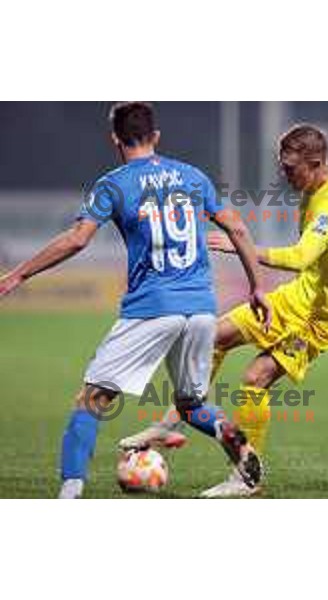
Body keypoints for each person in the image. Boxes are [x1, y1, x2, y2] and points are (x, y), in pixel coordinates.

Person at [0, 101, 271, 498]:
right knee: (191, 403)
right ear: (155, 137)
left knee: (92, 398)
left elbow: (77, 239)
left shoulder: (114, 183)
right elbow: (238, 230)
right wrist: (257, 286)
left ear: (115, 140)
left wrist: (19, 273)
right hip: (200, 306)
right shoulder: (192, 176)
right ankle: (242, 453)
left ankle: (70, 492)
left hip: (152, 306)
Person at [120, 123, 328, 497]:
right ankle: (174, 422)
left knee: (256, 376)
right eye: (282, 165)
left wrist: (242, 248)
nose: (284, 173)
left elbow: (299, 257)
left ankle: (246, 479)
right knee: (211, 337)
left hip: (325, 317)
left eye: (291, 167)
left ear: (315, 162)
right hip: (299, 296)